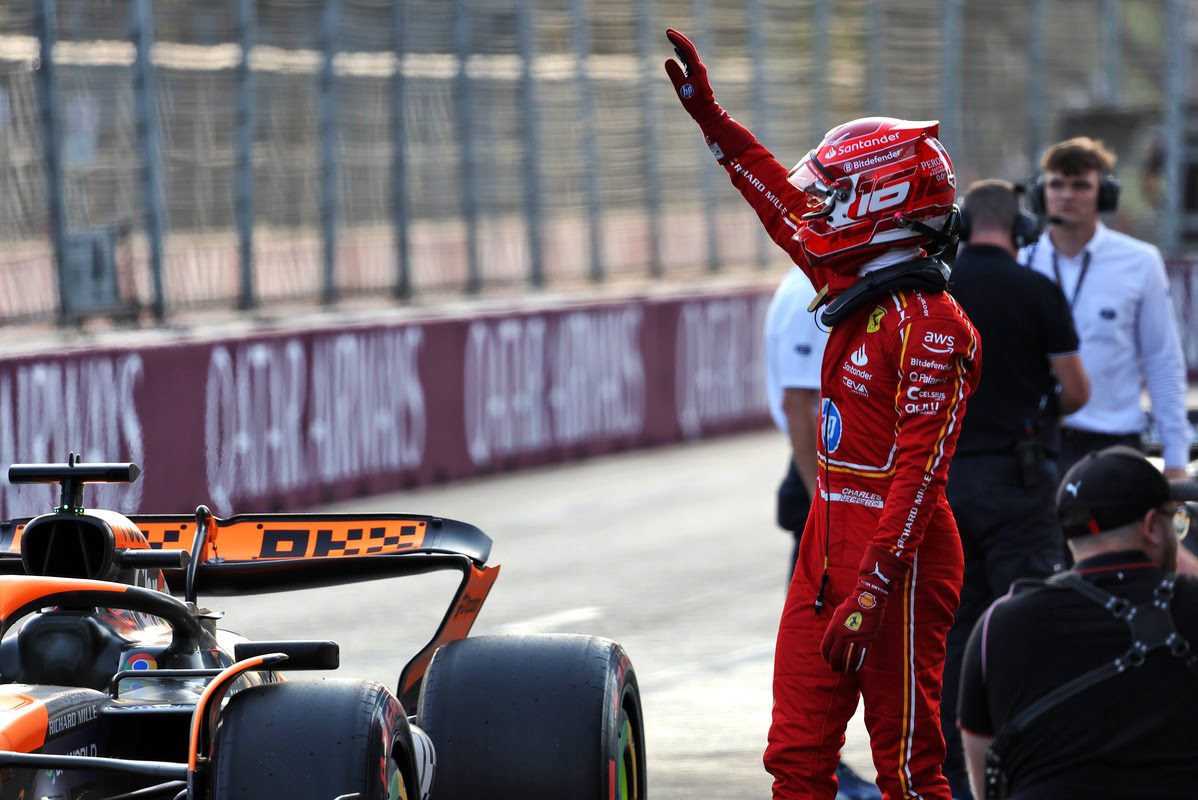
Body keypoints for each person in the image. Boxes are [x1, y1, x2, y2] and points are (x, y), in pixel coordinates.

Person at [664, 29, 981, 800]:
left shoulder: (936, 326)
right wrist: (715, 122)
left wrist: (871, 593)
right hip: (825, 549)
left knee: (908, 769)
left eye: (838, 195)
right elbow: (780, 203)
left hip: (897, 564)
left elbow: (919, 478)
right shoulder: (854, 279)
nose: (820, 209)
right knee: (794, 761)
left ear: (885, 203)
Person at [938, 179, 1090, 798]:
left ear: (963, 227)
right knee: (1027, 620)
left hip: (942, 482)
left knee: (951, 632)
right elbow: (1077, 391)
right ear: (1020, 228)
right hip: (1020, 487)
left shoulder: (936, 289)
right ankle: (1030, 759)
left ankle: (951, 771)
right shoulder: (1037, 289)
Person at [957, 445, 1198, 800]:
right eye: (1175, 520)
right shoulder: (1192, 601)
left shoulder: (996, 625)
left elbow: (987, 784)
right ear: (1152, 526)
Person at [1020, 137, 1191, 481]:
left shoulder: (1140, 262)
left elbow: (1163, 362)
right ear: (1041, 194)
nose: (1067, 194)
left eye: (1080, 185)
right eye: (1057, 184)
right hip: (1033, 445)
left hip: (1111, 445)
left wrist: (1176, 460)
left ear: (1105, 194)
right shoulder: (1021, 262)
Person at [765, 267, 828, 582]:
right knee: (814, 620)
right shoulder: (809, 292)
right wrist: (822, 504)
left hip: (819, 468)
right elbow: (798, 404)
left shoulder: (809, 283)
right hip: (817, 471)